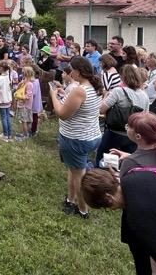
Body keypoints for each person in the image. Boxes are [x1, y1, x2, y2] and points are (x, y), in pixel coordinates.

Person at [49, 56, 103, 219]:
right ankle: (70, 200)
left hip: (76, 139)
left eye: (72, 70)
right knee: (73, 170)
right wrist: (63, 95)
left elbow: (62, 114)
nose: (70, 73)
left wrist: (53, 95)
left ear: (79, 71)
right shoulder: (93, 86)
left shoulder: (79, 90)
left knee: (79, 176)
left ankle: (82, 210)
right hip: (91, 135)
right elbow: (78, 107)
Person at [96, 65, 150, 168]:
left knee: (105, 164)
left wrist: (106, 96)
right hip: (133, 135)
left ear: (123, 77)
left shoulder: (118, 91)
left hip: (115, 134)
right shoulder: (144, 95)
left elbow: (102, 109)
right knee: (128, 166)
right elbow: (146, 115)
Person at [109, 111, 156, 177]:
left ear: (138, 136)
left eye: (129, 126)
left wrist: (114, 173)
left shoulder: (130, 162)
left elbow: (123, 182)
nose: (126, 127)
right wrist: (129, 156)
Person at [14, 66, 35, 141]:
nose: (22, 74)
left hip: (25, 105)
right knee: (23, 120)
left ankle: (25, 135)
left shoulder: (29, 84)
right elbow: (19, 90)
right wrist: (20, 85)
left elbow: (28, 95)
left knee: (24, 121)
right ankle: (24, 133)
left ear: (26, 74)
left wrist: (21, 97)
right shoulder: (24, 82)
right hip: (23, 105)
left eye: (23, 73)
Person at [0, 60, 13, 141]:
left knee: (3, 117)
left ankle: (5, 135)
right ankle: (9, 134)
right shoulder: (9, 76)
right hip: (8, 99)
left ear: (1, 68)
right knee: (7, 117)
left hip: (2, 100)